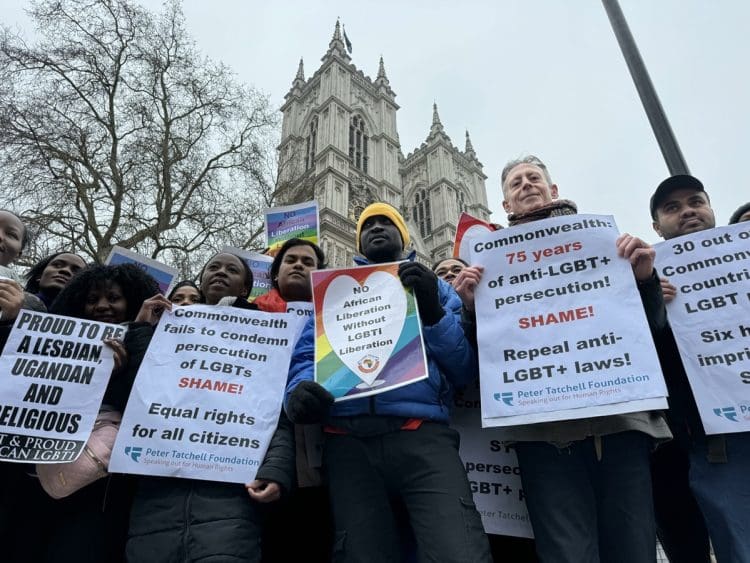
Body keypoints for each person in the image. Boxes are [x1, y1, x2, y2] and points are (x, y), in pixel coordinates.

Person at [455, 156, 671, 563]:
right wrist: (470, 309)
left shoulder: (606, 245)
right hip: (543, 436)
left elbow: (654, 329)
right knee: (566, 553)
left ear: (552, 190)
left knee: (633, 548)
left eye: (534, 178)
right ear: (505, 205)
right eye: (515, 183)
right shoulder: (488, 268)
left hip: (621, 425)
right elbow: (480, 362)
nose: (526, 186)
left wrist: (644, 280)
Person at [285, 203, 491, 563]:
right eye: (369, 225)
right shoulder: (334, 292)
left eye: (387, 223)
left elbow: (463, 368)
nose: (377, 229)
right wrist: (298, 394)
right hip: (349, 446)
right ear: (359, 240)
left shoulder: (437, 289)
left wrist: (434, 312)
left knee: (458, 550)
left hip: (422, 438)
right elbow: (306, 358)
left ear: (403, 235)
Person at [126, 252, 295, 563]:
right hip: (159, 489)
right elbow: (139, 392)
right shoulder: (167, 328)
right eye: (213, 267)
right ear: (202, 280)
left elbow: (276, 412)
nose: (220, 272)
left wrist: (275, 471)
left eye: (232, 269)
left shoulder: (268, 333)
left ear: (245, 288)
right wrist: (139, 332)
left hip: (228, 492)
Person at [13, 263, 160, 563]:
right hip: (39, 474)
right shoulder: (50, 343)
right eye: (92, 299)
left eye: (113, 298)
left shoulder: (150, 342)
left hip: (100, 488)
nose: (102, 306)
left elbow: (150, 407)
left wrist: (115, 377)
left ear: (130, 300)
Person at [651, 174, 750, 563]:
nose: (688, 211)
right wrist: (649, 303)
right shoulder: (648, 277)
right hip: (710, 440)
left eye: (695, 202)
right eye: (672, 208)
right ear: (657, 226)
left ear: (710, 209)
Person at [255, 238, 332, 563]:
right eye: (291, 260)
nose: (299, 264)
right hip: (261, 457)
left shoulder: (340, 317)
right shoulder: (246, 314)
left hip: (324, 458)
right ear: (275, 274)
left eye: (308, 261)